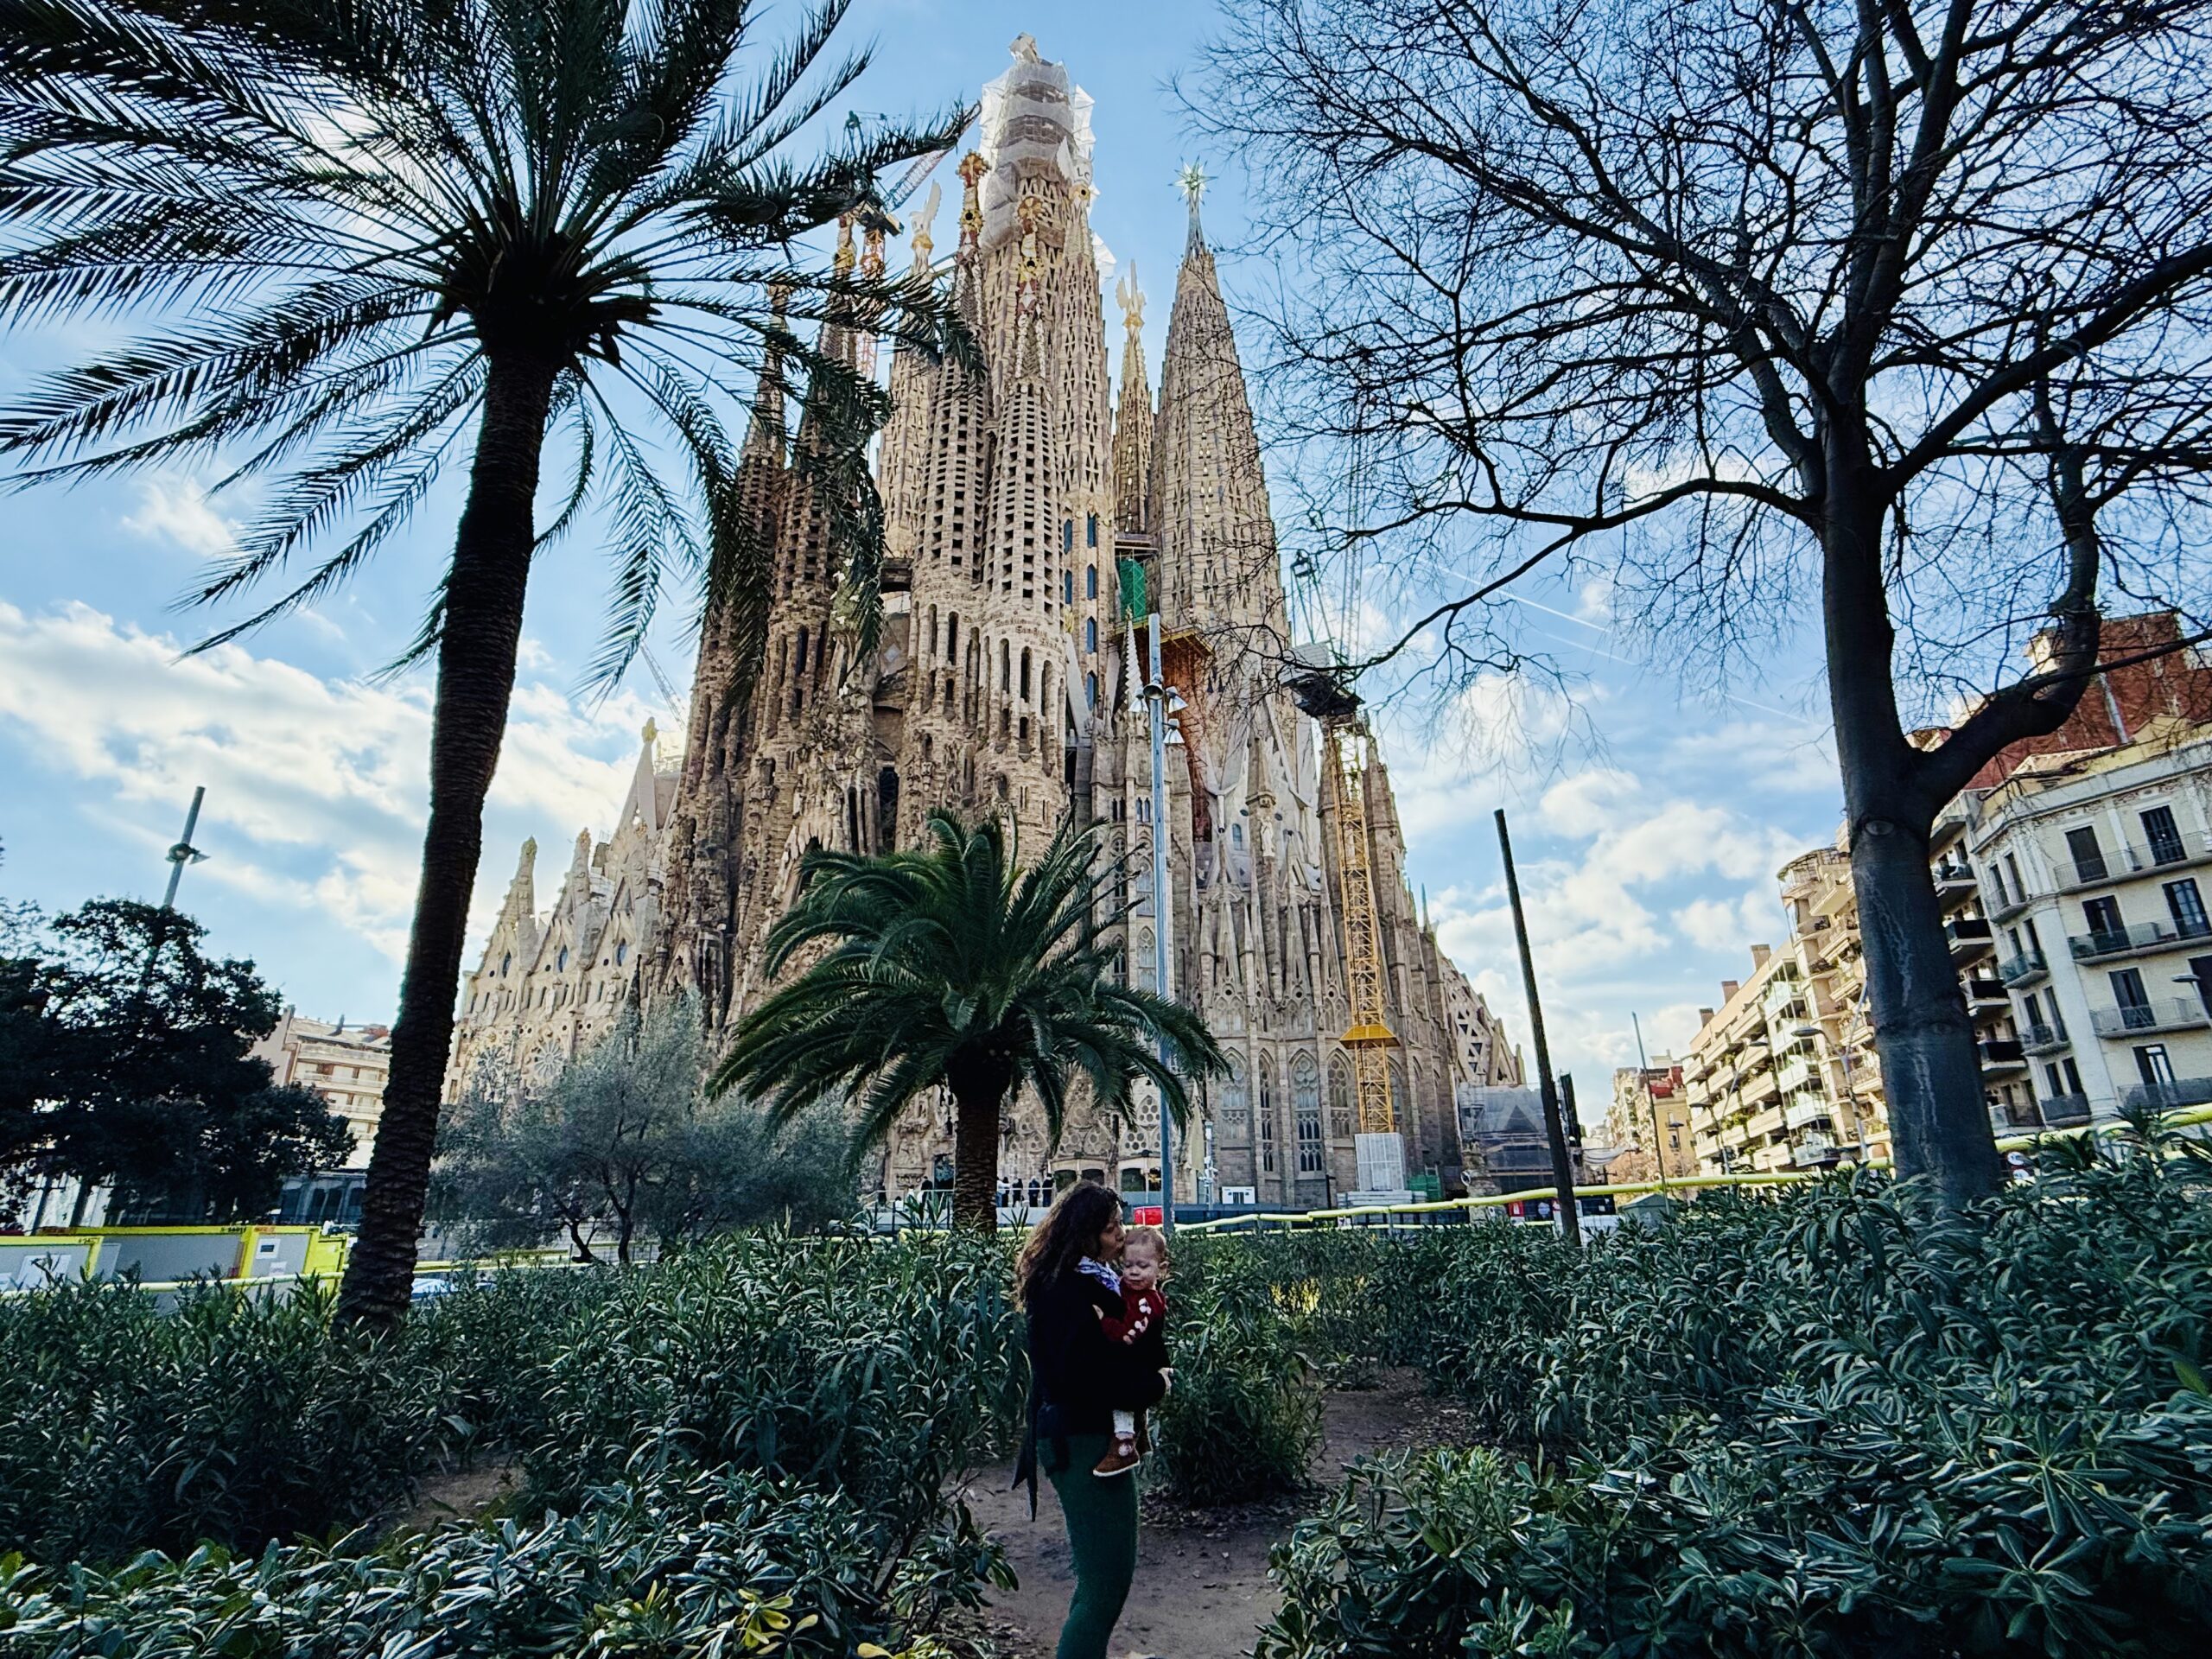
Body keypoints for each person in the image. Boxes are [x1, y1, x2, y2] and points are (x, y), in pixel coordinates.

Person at [1014, 1182, 1172, 1659]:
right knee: (1105, 1585)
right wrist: (1155, 1387)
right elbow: (1082, 1376)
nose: (1121, 1237)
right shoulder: (1068, 1289)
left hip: (1085, 1435)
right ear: (1084, 1233)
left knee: (1104, 1582)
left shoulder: (1091, 1280)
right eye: (1110, 1228)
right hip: (1081, 1438)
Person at [1093, 1224, 1169, 1477]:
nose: (1134, 1272)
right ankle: (1141, 1432)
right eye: (1127, 1266)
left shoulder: (1147, 1302)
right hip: (1142, 1360)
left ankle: (1124, 1445)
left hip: (1139, 1361)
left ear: (1162, 1269)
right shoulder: (1130, 1290)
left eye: (1143, 1266)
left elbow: (1127, 1334)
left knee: (1121, 1395)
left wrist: (1104, 1320)